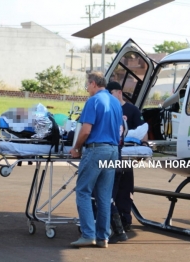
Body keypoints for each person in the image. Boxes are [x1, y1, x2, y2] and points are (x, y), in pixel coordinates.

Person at [69, 71, 122, 248]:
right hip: (113, 151)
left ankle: (88, 234)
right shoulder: (115, 102)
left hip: (96, 149)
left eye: (87, 85)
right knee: (104, 196)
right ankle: (103, 237)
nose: (87, 89)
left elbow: (85, 130)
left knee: (83, 191)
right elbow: (121, 130)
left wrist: (76, 147)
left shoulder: (93, 101)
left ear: (93, 84)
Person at [106, 81, 147, 241]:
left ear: (119, 93)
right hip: (113, 154)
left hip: (128, 156)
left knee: (125, 189)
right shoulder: (107, 108)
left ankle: (125, 219)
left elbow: (143, 129)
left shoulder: (132, 110)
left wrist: (143, 147)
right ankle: (111, 220)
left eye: (112, 94)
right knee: (112, 189)